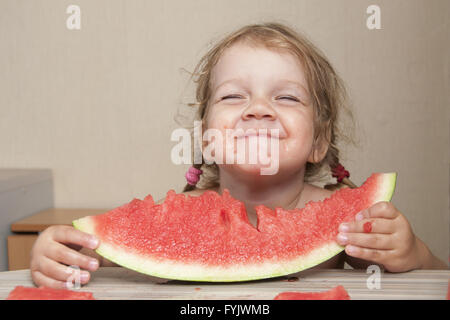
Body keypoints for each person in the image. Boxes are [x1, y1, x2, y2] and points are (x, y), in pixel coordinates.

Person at [30, 22, 447, 289]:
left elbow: (435, 276)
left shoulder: (350, 222)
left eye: (285, 96)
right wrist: (56, 253)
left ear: (319, 142)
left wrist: (413, 255)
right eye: (233, 96)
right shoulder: (183, 217)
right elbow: (93, 252)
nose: (259, 108)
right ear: (206, 138)